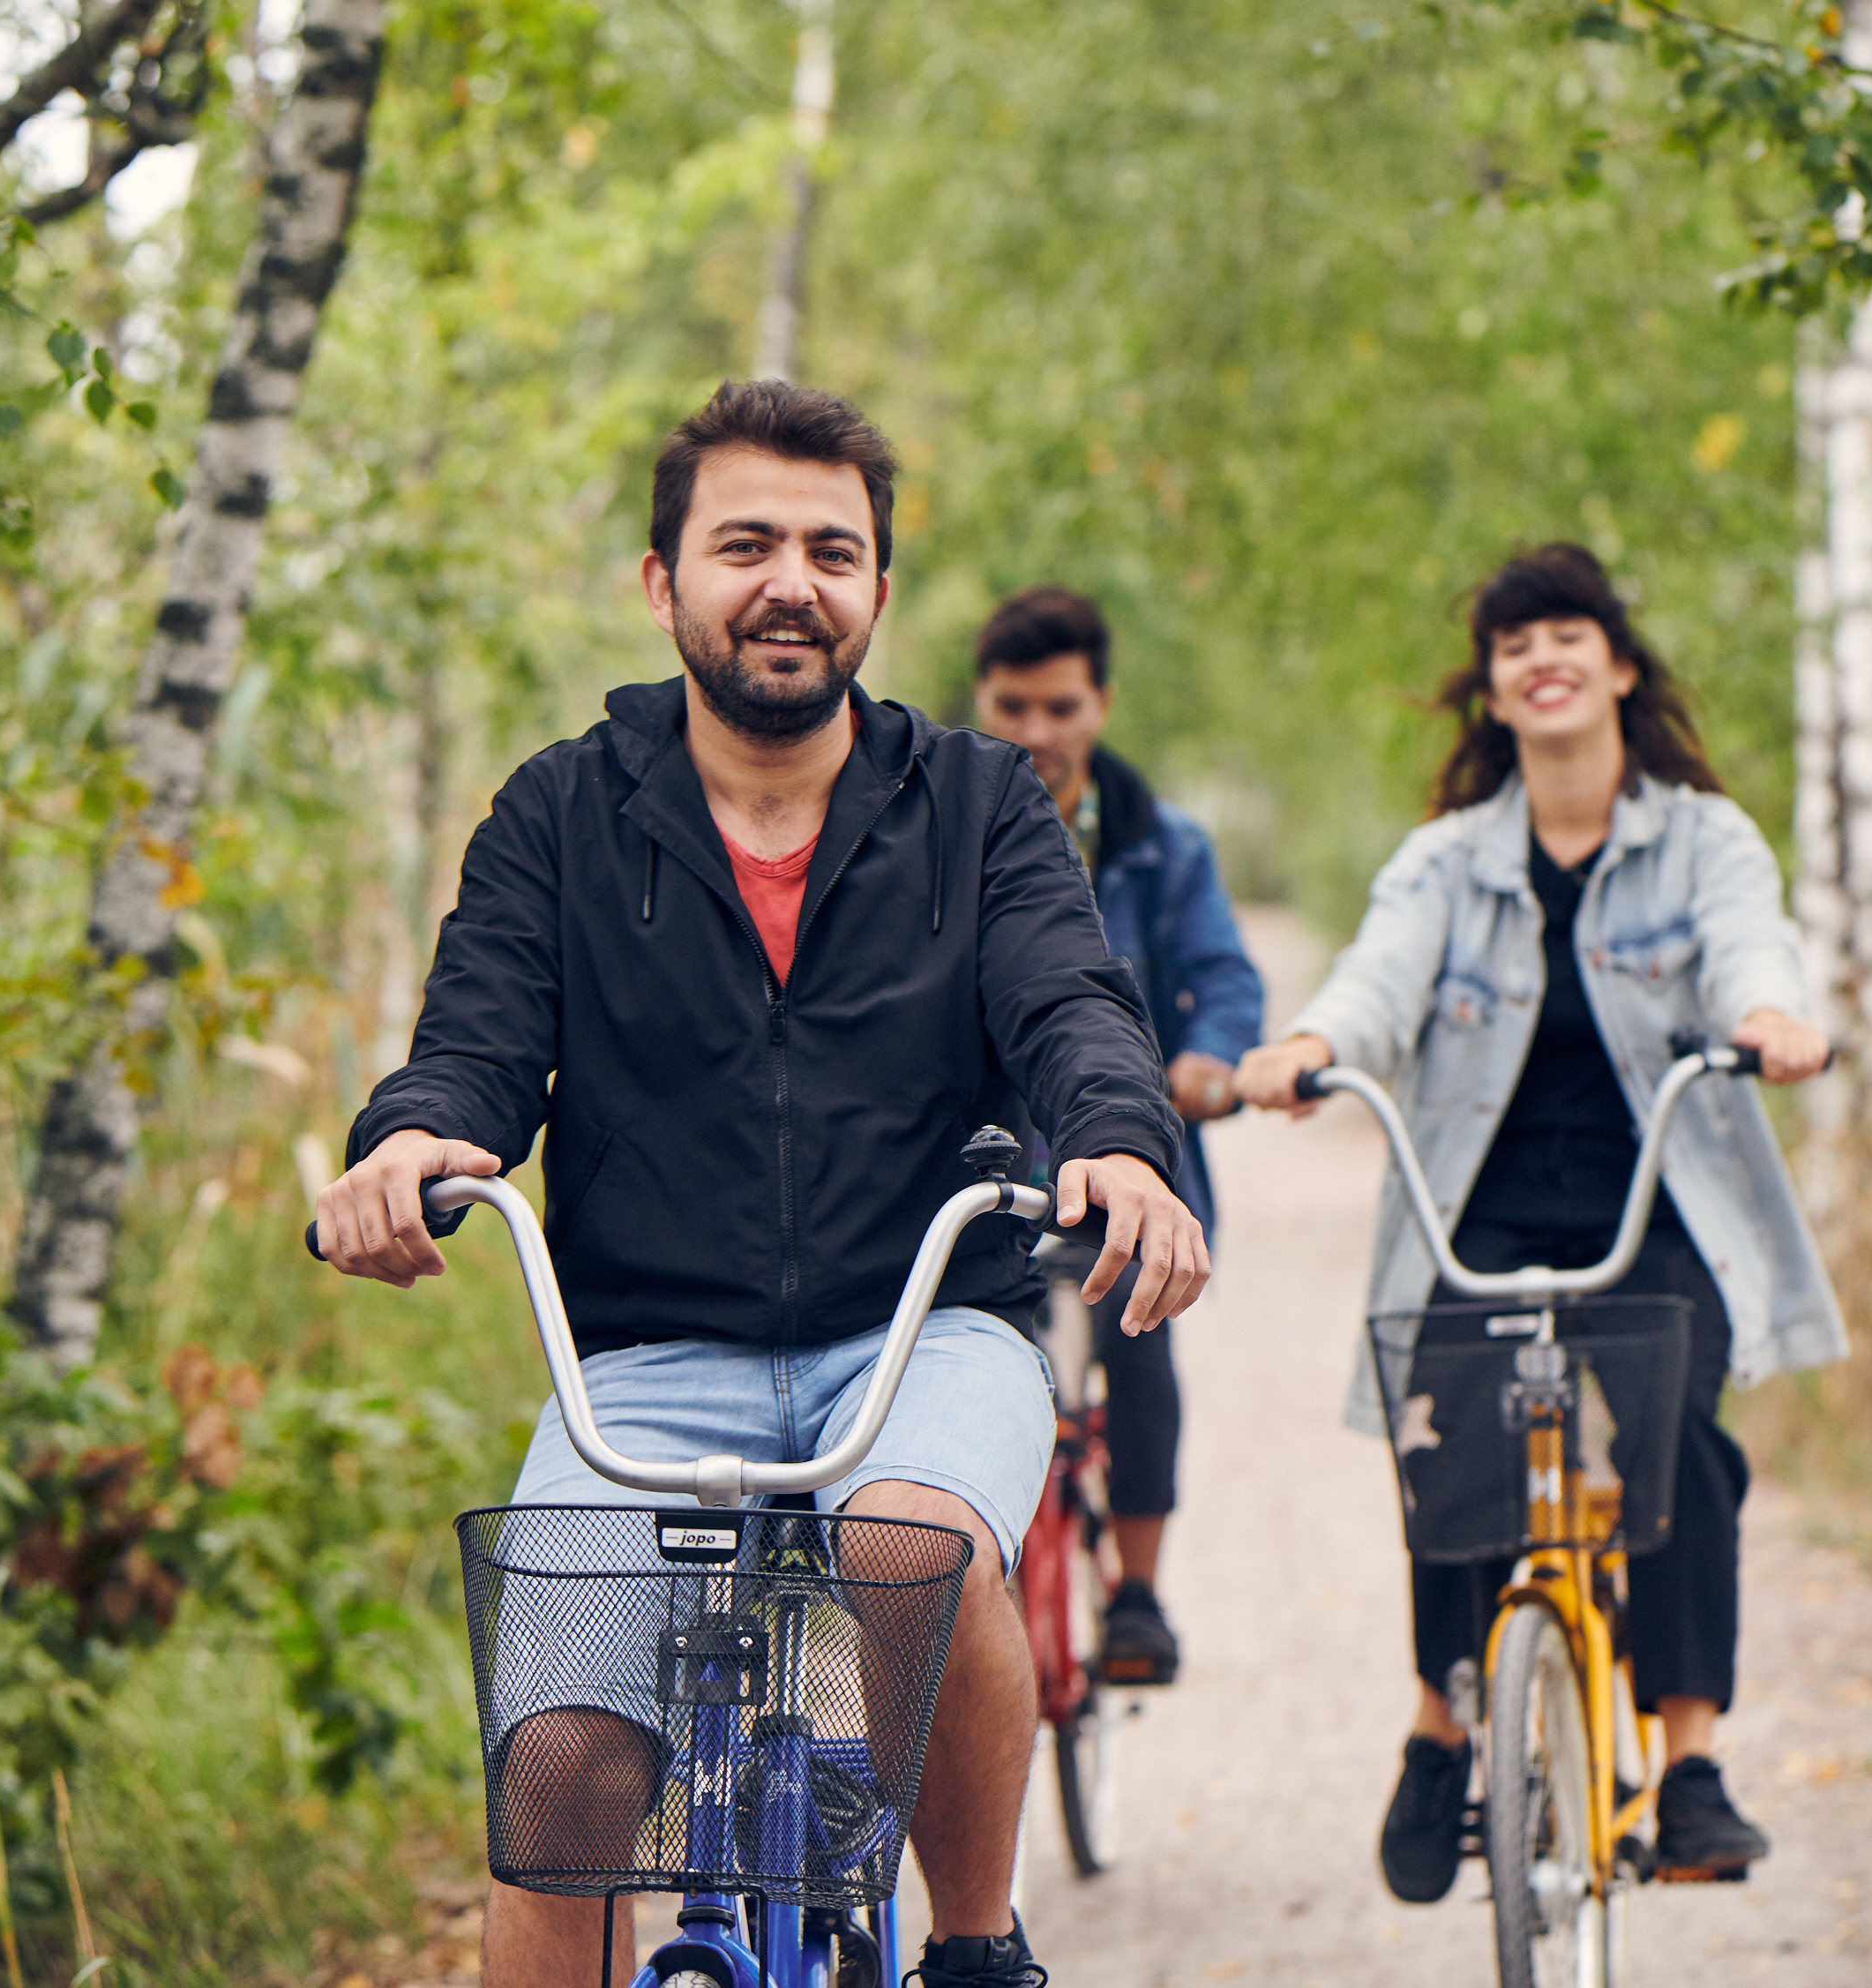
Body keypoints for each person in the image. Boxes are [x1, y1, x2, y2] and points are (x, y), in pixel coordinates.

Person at [311, 381, 1209, 1988]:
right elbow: (477, 1042)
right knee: (561, 1760)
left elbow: (1073, 1003)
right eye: (746, 546)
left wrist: (1122, 1142)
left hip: (924, 1331)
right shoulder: (561, 812)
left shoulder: (981, 803)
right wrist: (411, 1142)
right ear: (663, 583)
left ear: (877, 590)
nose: (791, 583)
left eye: (830, 551)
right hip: (649, 1359)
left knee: (910, 1543)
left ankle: (977, 1943)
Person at [1232, 543, 1842, 1901]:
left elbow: (1751, 941)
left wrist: (1769, 1015)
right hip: (1484, 1217)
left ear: (1619, 667)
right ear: (1494, 691)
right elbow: (1380, 974)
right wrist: (1315, 1043)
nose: (1543, 658)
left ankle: (1689, 1766)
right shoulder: (1448, 861)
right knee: (1450, 1449)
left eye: (1568, 633)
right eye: (1515, 645)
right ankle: (1443, 1727)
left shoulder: (1702, 839)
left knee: (1680, 1443)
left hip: (1657, 1210)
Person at [970, 586, 1264, 1685]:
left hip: (1123, 1164)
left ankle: (1136, 1593)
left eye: (1060, 707)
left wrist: (1209, 1059)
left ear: (1100, 704)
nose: (1037, 732)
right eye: (1013, 707)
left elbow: (1224, 977)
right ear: (980, 700)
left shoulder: (1162, 847)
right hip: (987, 1166)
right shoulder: (939, 825)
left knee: (1139, 1335)